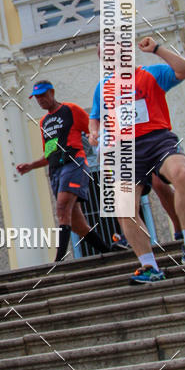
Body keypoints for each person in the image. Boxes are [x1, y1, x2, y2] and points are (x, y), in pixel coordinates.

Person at [89, 37, 185, 283]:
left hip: (157, 138)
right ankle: (149, 266)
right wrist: (94, 132)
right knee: (124, 207)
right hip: (125, 149)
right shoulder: (103, 88)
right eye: (104, 55)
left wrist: (156, 49)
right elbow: (96, 117)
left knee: (181, 174)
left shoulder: (150, 74)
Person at [16, 81, 112, 262]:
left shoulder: (71, 110)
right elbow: (49, 154)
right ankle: (107, 251)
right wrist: (30, 166)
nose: (41, 100)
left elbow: (93, 129)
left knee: (61, 207)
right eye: (37, 97)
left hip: (74, 163)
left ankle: (59, 259)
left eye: (43, 95)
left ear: (52, 92)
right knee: (76, 223)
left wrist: (100, 143)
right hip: (55, 171)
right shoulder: (44, 122)